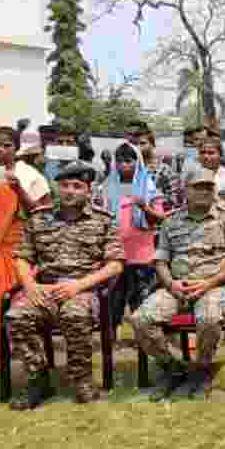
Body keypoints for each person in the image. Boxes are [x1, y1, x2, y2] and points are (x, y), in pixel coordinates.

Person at [6, 161, 124, 409]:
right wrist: (29, 286)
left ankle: (81, 379)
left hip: (83, 289)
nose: (70, 190)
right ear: (57, 188)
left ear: (88, 191)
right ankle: (37, 379)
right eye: (64, 185)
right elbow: (22, 259)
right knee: (17, 315)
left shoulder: (103, 220)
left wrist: (78, 286)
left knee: (74, 314)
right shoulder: (39, 218)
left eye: (77, 186)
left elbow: (115, 265)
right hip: (44, 289)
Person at [130, 166, 225, 401]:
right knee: (141, 319)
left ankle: (202, 369)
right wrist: (171, 284)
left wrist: (208, 284)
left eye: (209, 187)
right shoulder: (171, 221)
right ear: (185, 190)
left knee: (210, 318)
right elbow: (161, 261)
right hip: (176, 288)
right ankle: (174, 367)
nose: (204, 192)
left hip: (213, 286)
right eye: (198, 187)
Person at [0, 127, 51, 369]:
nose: (1, 150)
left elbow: (43, 213)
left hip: (20, 244)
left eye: (7, 145)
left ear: (16, 147)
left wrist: (18, 189)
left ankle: (22, 347)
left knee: (15, 295)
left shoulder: (30, 175)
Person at [95, 142, 168, 338]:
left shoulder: (148, 186)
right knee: (113, 298)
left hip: (141, 253)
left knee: (141, 298)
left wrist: (144, 207)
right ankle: (109, 339)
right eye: (119, 161)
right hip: (114, 253)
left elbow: (160, 218)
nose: (124, 165)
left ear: (138, 162)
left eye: (129, 160)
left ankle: (144, 338)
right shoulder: (107, 186)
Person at [133, 125, 178, 211]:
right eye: (135, 144)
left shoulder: (164, 170)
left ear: (152, 144)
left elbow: (174, 199)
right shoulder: (131, 170)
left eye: (142, 143)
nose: (138, 147)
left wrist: (154, 200)